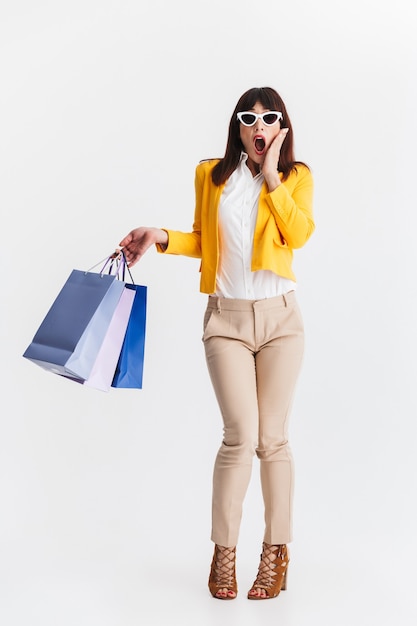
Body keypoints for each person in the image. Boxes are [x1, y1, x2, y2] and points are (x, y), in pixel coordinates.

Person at [119, 86, 315, 600]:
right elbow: (204, 241)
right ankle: (224, 552)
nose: (258, 126)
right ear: (236, 126)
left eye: (269, 119)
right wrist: (160, 236)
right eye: (247, 118)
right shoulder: (212, 175)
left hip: (281, 322)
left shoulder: (296, 178)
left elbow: (298, 235)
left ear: (281, 128)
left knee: (272, 440)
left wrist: (272, 175)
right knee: (239, 436)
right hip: (226, 321)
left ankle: (276, 552)